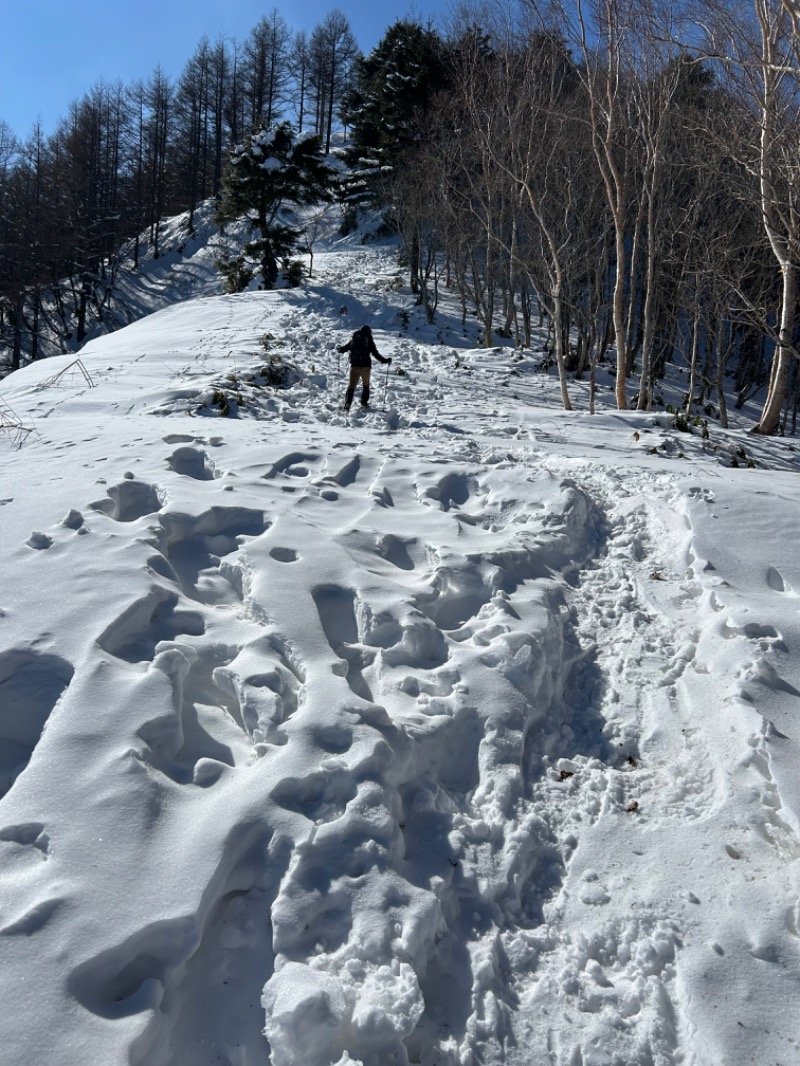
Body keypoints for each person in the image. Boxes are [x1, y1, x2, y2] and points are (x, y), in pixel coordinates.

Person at [337, 325, 392, 410]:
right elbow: (375, 354)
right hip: (366, 368)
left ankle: (348, 403)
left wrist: (339, 349)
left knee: (351, 386)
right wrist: (385, 360)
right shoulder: (369, 341)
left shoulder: (353, 340)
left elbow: (343, 349)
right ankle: (364, 403)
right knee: (365, 385)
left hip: (354, 367)